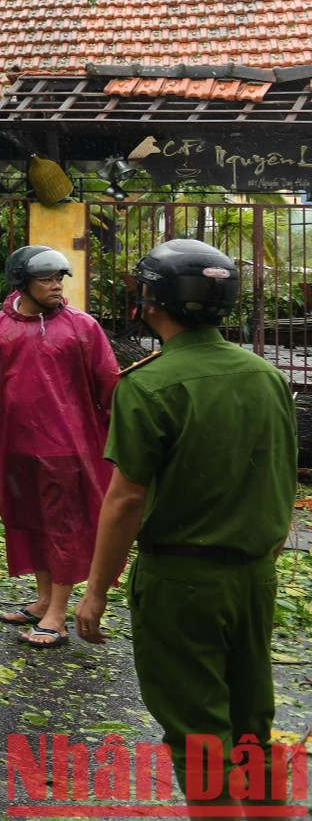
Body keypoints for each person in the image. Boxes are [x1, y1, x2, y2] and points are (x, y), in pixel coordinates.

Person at [77, 240, 297, 810]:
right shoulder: (265, 376)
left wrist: (95, 592)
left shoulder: (147, 385)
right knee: (252, 724)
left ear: (150, 301)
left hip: (181, 580)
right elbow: (282, 475)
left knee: (199, 737)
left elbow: (125, 501)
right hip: (254, 575)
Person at [0, 244, 121, 648]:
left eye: (59, 277)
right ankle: (44, 600)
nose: (56, 285)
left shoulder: (82, 327)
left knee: (62, 527)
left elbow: (110, 382)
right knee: (29, 521)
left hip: (66, 447)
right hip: (14, 445)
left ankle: (58, 616)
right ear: (22, 283)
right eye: (46, 278)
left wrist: (125, 435)